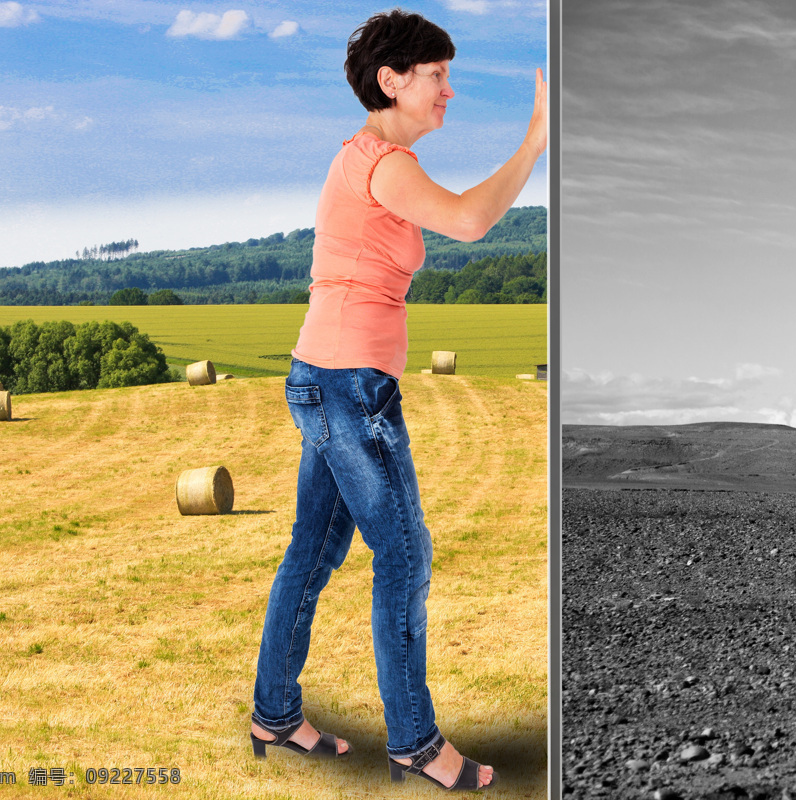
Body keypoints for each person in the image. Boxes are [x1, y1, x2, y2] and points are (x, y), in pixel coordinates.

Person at [250, 8, 547, 792]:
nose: (450, 91)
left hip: (325, 376)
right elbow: (474, 220)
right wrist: (536, 141)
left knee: (311, 554)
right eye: (437, 75)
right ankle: (414, 741)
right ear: (393, 81)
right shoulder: (381, 161)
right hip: (349, 387)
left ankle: (274, 713)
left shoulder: (368, 160)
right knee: (406, 556)